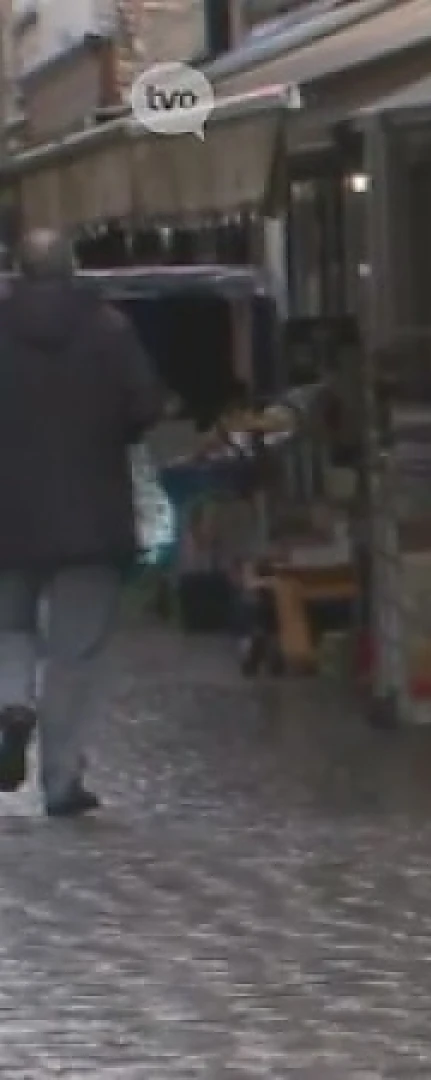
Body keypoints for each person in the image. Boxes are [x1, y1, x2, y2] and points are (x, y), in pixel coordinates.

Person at [0, 228, 165, 816]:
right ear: (72, 267)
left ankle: (12, 703)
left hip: (7, 517)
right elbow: (146, 406)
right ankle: (61, 781)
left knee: (8, 629)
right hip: (92, 514)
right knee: (75, 653)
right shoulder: (107, 328)